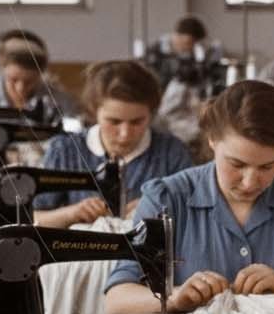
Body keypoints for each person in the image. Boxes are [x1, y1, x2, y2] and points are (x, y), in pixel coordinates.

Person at [104, 80, 274, 314]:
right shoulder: (167, 198)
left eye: (268, 167)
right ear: (212, 140)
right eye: (237, 164)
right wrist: (173, 298)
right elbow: (117, 299)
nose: (250, 182)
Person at [32, 60, 194, 228]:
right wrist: (71, 213)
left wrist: (158, 208)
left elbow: (194, 217)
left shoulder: (172, 153)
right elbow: (32, 217)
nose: (125, 134)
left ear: (151, 114)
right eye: (114, 122)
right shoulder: (65, 151)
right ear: (94, 111)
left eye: (137, 122)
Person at [0, 47, 76, 125]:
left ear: (40, 77)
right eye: (13, 80)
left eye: (29, 81)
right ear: (3, 72)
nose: (20, 88)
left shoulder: (58, 100)